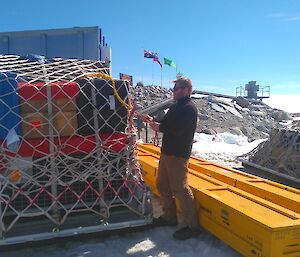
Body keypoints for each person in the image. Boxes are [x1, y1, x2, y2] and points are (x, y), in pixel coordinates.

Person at [139, 77, 199, 240]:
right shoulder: (176, 107)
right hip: (167, 152)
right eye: (174, 88)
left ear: (186, 90)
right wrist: (153, 122)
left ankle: (192, 226)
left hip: (178, 155)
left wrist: (160, 127)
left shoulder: (189, 109)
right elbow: (165, 123)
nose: (174, 91)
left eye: (177, 88)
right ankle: (170, 217)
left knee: (180, 189)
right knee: (162, 185)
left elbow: (178, 129)